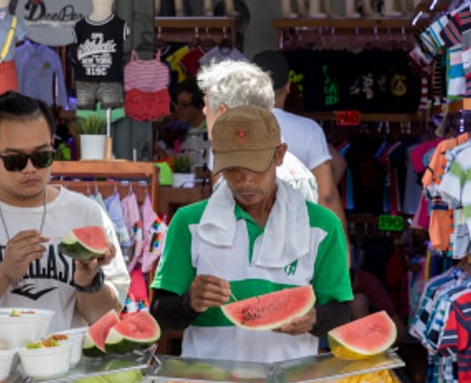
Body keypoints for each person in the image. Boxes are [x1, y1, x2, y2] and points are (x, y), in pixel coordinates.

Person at [150, 106, 352, 363]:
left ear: (279, 155)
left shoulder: (322, 226)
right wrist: (189, 303)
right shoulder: (188, 223)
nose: (244, 180)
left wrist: (315, 318)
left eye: (256, 167)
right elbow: (160, 314)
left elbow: (341, 313)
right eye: (233, 168)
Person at [0, 92, 128, 328]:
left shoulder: (88, 214)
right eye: (15, 160)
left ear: (52, 144)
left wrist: (88, 280)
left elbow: (105, 320)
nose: (30, 169)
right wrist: (4, 273)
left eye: (41, 157)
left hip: (66, 363)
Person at [252, 50, 349, 233]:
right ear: (288, 87)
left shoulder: (227, 129)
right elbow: (327, 197)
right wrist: (343, 254)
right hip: (295, 234)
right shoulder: (309, 130)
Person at [196, 58, 318, 204]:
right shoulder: (299, 172)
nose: (204, 112)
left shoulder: (240, 180)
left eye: (207, 105)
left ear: (222, 114)